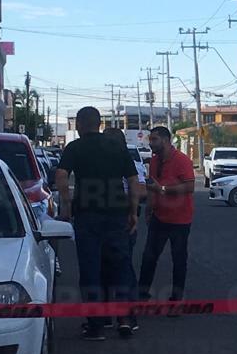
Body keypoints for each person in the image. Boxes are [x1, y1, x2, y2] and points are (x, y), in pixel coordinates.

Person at [55, 107, 139, 341]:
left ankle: (96, 325)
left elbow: (61, 175)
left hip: (87, 215)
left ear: (81, 124)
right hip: (117, 215)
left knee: (91, 269)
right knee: (121, 266)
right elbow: (132, 181)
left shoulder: (75, 147)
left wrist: (67, 204)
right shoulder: (116, 147)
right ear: (99, 124)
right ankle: (124, 320)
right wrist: (133, 212)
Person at [139, 126, 195, 309]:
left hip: (180, 219)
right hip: (159, 217)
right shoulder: (155, 161)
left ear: (165, 140)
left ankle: (176, 301)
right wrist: (149, 208)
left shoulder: (182, 160)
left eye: (154, 139)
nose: (151, 143)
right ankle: (141, 296)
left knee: (179, 260)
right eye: (150, 139)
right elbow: (152, 186)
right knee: (149, 258)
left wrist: (163, 189)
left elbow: (189, 187)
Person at [101, 128, 146, 330]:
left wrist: (130, 208)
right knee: (107, 268)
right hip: (110, 219)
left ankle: (126, 315)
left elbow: (141, 189)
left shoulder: (134, 163)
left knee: (122, 267)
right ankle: (107, 315)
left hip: (124, 219)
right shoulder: (99, 163)